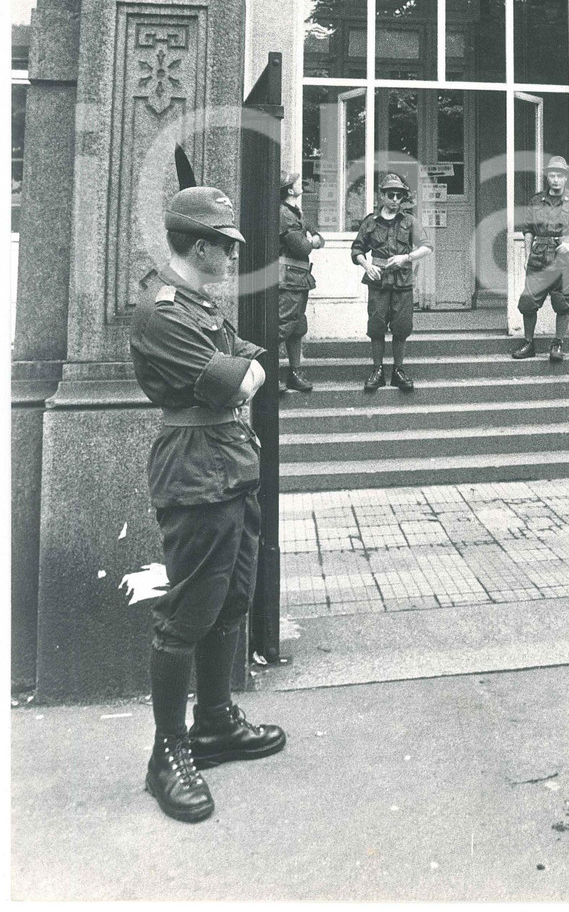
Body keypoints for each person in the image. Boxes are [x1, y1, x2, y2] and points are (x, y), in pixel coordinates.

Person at [129, 186, 286, 823]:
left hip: (229, 460)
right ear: (201, 246)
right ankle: (167, 753)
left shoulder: (196, 304)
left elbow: (253, 362)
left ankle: (215, 722)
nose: (231, 255)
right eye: (226, 245)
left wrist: (240, 376)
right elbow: (234, 380)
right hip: (196, 467)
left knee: (230, 598)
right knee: (188, 612)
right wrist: (239, 376)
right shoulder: (164, 311)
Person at [350, 172, 432, 392]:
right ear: (382, 196)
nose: (395, 199)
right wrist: (367, 265)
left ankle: (398, 370)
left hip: (402, 281)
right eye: (391, 195)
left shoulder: (409, 221)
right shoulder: (371, 222)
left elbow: (426, 247)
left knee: (402, 326)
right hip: (378, 281)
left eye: (399, 196)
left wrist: (406, 257)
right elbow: (356, 249)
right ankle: (377, 370)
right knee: (376, 326)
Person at [513, 155, 569, 363]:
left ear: (565, 178)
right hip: (539, 256)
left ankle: (557, 344)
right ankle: (529, 343)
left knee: (562, 302)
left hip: (563, 256)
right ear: (547, 178)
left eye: (560, 175)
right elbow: (528, 229)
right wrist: (527, 254)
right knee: (529, 301)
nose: (556, 179)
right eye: (552, 175)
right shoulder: (536, 201)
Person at [278, 170, 325, 393]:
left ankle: (294, 374)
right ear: (289, 189)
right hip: (288, 279)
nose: (301, 182)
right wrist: (311, 241)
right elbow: (303, 246)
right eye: (296, 182)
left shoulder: (295, 212)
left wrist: (312, 239)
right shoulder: (284, 214)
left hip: (299, 278)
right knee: (282, 327)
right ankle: (269, 375)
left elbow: (318, 237)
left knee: (297, 327)